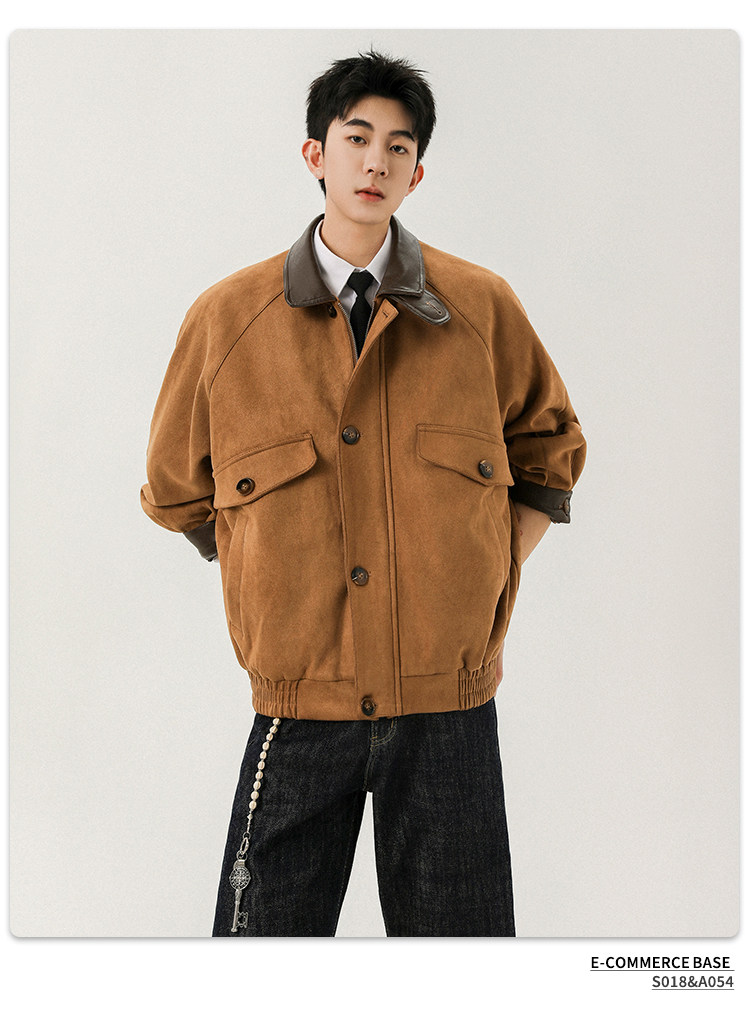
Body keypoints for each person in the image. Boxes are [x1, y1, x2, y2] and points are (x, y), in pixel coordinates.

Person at [140, 49, 586, 937]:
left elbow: (550, 451)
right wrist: (272, 570)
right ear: (316, 154)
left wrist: (492, 569)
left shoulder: (481, 308)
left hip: (449, 709)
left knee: (465, 970)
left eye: (398, 146)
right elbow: (177, 489)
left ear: (418, 173)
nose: (376, 161)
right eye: (356, 138)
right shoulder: (228, 320)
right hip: (298, 703)